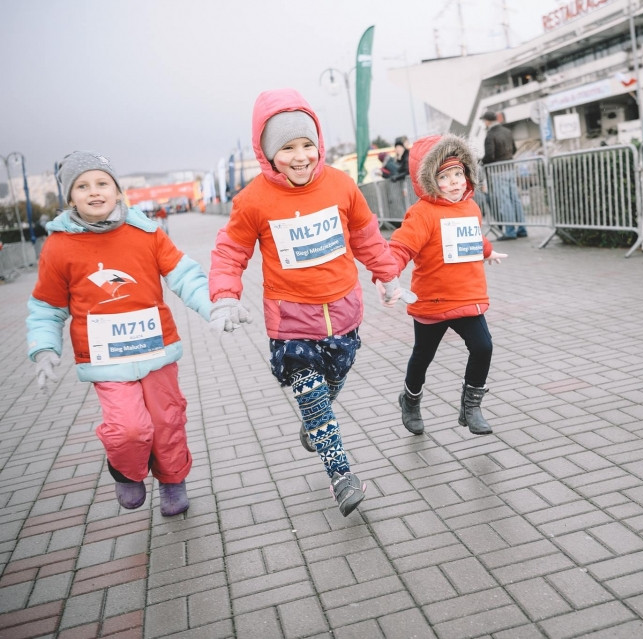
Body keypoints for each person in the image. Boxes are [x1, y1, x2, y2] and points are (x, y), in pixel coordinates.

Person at [208, 88, 404, 516]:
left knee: (330, 387)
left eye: (307, 144)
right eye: (287, 148)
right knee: (312, 394)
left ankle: (316, 418)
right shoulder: (253, 200)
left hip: (345, 314)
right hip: (291, 323)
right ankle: (341, 476)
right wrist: (225, 295)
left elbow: (366, 235)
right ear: (266, 152)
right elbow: (230, 252)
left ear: (318, 144)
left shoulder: (340, 184)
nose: (300, 156)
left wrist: (388, 276)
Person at [26, 151, 224, 517]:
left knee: (167, 421)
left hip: (155, 351)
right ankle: (126, 470)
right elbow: (47, 307)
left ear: (118, 190)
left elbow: (184, 275)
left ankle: (172, 481)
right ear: (70, 197)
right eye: (82, 186)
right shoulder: (59, 246)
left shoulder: (146, 231)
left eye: (103, 183)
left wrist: (215, 307)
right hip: (106, 361)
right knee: (130, 428)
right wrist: (44, 348)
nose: (94, 192)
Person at [387, 134, 507, 436]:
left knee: (483, 346)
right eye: (444, 176)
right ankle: (410, 399)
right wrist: (388, 275)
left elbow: (471, 237)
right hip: (433, 301)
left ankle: (471, 406)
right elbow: (401, 247)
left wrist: (488, 251)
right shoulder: (423, 213)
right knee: (422, 356)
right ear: (429, 180)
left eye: (458, 173)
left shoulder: (470, 207)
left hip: (467, 297)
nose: (454, 182)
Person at [480, 111, 527, 240]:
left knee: (504, 201)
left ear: (488, 121)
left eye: (484, 121)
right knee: (515, 199)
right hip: (510, 168)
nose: (484, 123)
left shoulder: (490, 135)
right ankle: (522, 229)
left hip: (497, 171)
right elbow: (514, 149)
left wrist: (481, 162)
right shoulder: (507, 131)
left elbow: (490, 156)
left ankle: (510, 231)